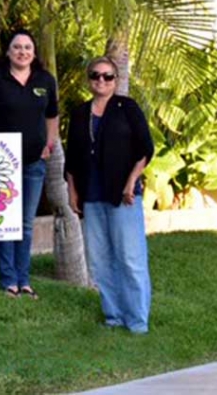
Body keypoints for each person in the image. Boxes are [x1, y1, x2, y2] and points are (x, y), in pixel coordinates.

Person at [0, 29, 59, 299]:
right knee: (4, 222)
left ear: (34, 52)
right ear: (8, 51)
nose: (22, 51)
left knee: (26, 223)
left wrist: (49, 144)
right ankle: (8, 280)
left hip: (33, 163)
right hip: (0, 165)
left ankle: (24, 279)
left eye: (27, 47)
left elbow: (52, 116)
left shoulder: (45, 81)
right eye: (17, 47)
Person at [65, 56, 154, 333]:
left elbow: (145, 149)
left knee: (130, 258)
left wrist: (131, 182)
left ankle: (137, 320)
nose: (101, 80)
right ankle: (113, 316)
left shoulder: (127, 108)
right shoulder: (80, 113)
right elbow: (72, 157)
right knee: (100, 260)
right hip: (92, 194)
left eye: (107, 76)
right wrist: (72, 190)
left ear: (116, 80)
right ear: (88, 79)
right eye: (95, 75)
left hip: (123, 194)